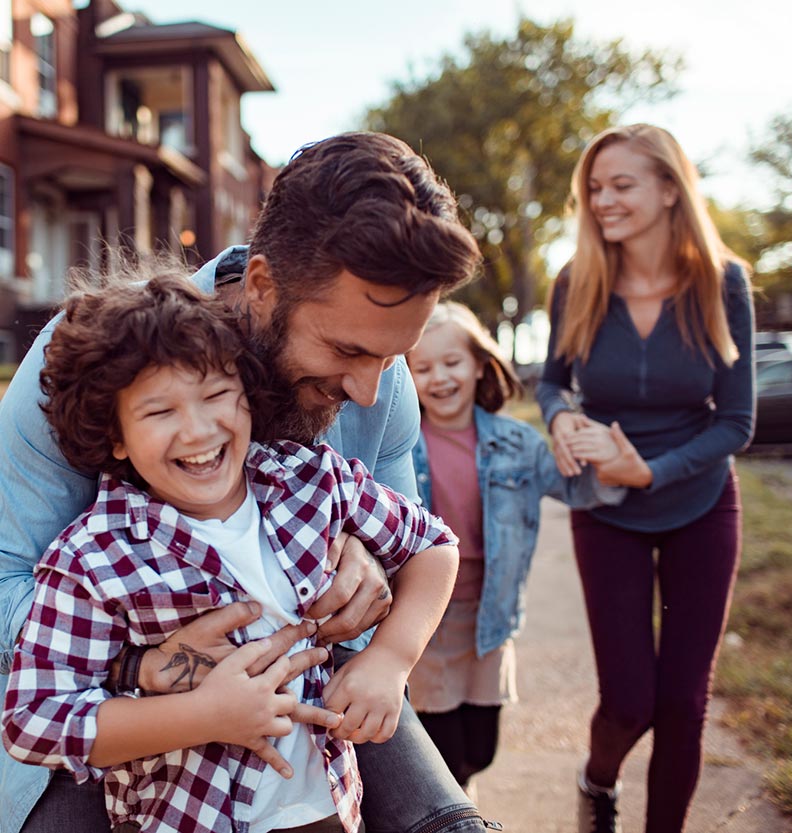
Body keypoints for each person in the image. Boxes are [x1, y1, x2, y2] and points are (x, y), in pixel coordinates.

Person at [0, 131, 492, 833]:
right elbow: (5, 580)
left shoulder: (379, 384)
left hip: (314, 702)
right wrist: (141, 665)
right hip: (115, 719)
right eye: (346, 350)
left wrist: (367, 561)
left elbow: (412, 540)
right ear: (261, 285)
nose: (366, 390)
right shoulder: (93, 358)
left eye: (393, 356)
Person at [535, 124, 755, 833]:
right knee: (630, 699)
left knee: (684, 704)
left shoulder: (724, 283)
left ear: (669, 189)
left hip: (699, 501)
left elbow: (736, 421)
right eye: (594, 188)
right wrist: (562, 419)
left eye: (621, 185)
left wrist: (654, 468)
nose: (603, 200)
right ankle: (598, 782)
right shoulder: (576, 283)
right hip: (606, 507)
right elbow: (551, 384)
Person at [404, 301, 627, 799]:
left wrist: (610, 460)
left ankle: (458, 799)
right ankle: (452, 814)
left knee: (481, 747)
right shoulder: (401, 444)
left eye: (452, 362)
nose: (439, 377)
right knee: (444, 750)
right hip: (426, 617)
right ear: (406, 376)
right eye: (423, 367)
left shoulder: (517, 443)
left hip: (490, 617)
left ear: (481, 364)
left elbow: (577, 491)